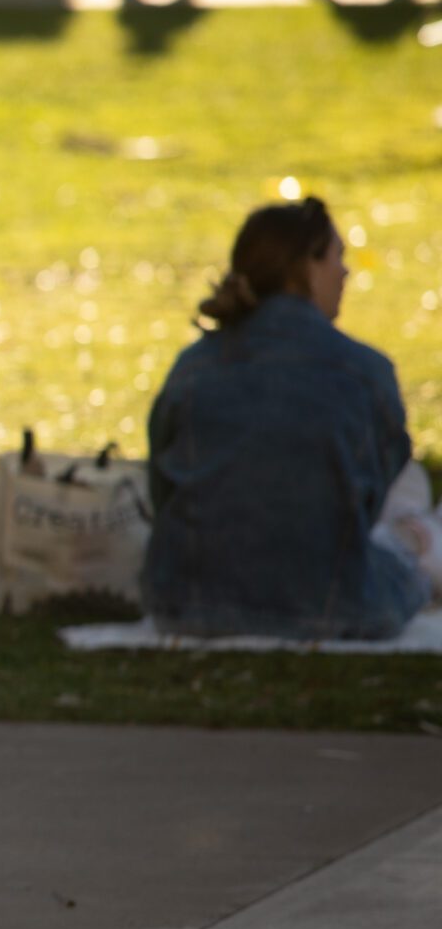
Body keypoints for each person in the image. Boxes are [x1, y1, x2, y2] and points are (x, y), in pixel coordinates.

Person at [142, 198, 439, 639]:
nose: (346, 273)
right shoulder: (364, 373)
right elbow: (365, 501)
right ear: (307, 266)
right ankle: (418, 537)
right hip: (330, 604)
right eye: (338, 256)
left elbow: (164, 488)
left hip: (187, 602)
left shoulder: (193, 368)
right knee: (407, 540)